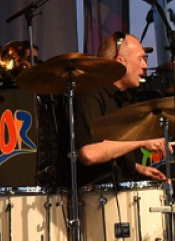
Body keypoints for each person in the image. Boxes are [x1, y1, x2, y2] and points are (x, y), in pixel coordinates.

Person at [71, 33, 169, 186]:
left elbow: (112, 152)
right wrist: (141, 141)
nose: (144, 66)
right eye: (140, 59)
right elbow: (88, 154)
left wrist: (137, 168)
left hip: (121, 190)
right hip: (97, 196)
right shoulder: (89, 94)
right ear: (120, 61)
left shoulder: (123, 98)